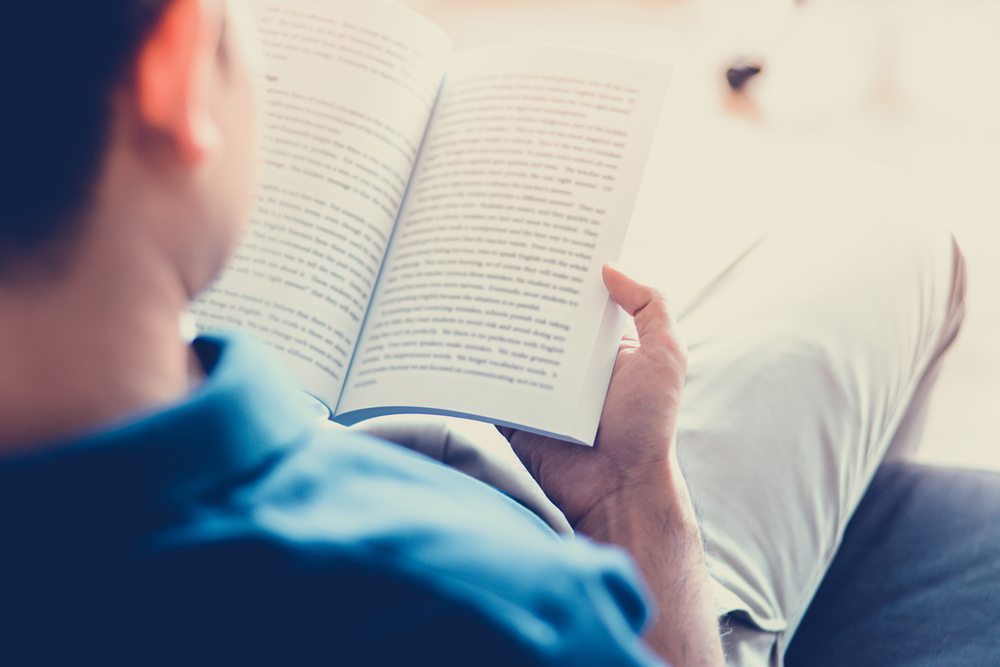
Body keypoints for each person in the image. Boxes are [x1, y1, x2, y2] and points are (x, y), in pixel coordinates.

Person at [0, 1, 964, 666]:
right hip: (549, 533)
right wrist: (637, 497)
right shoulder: (510, 613)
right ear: (173, 66)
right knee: (888, 235)